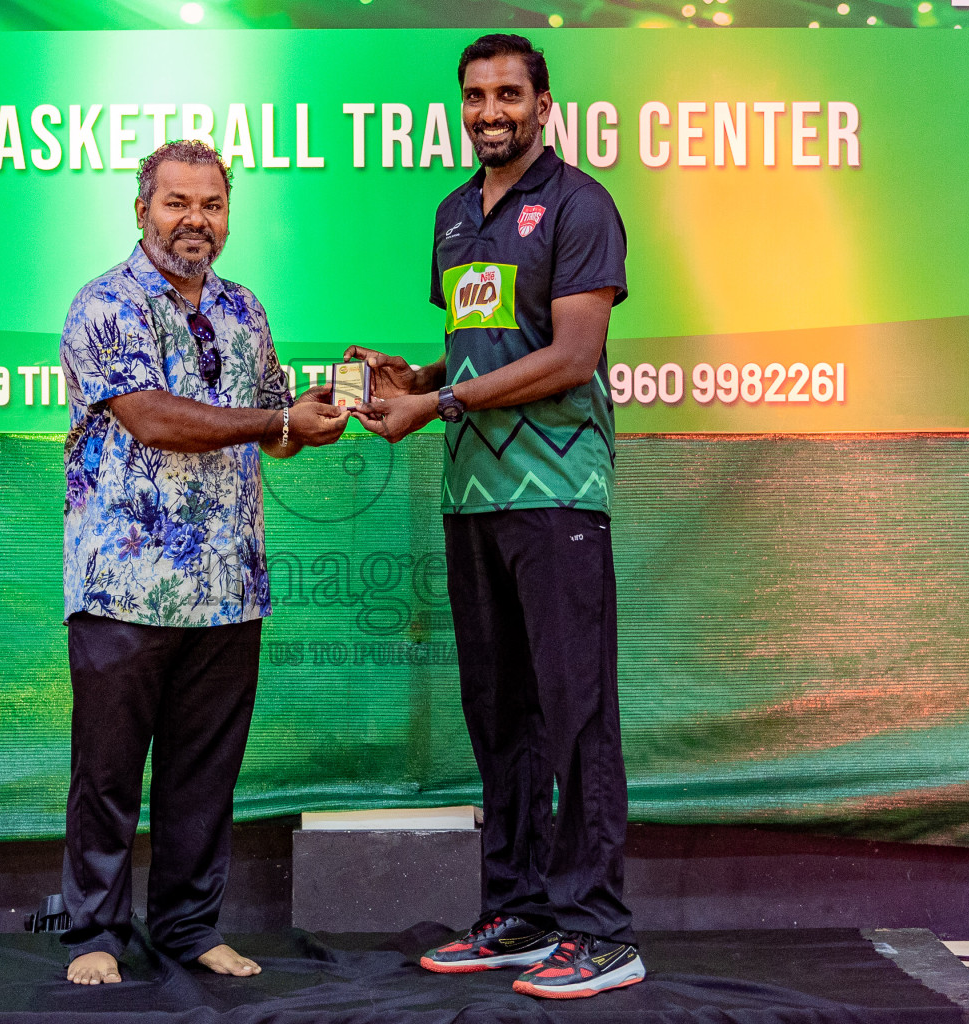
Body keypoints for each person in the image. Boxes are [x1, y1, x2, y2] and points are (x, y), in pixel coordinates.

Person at [349, 34, 643, 999]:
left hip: (556, 495)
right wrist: (417, 375)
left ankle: (601, 931)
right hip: (470, 497)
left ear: (545, 104)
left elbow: (569, 355)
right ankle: (519, 913)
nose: (490, 111)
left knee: (576, 715)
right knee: (500, 717)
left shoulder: (579, 204)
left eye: (509, 93)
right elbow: (483, 349)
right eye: (475, 96)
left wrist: (438, 404)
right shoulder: (450, 215)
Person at [57, 140, 348, 986]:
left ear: (227, 215)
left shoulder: (245, 310)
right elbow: (152, 419)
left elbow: (274, 427)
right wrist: (270, 423)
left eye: (211, 205)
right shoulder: (103, 303)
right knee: (107, 777)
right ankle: (95, 936)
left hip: (229, 589)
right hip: (124, 587)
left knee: (203, 778)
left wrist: (318, 415)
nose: (195, 220)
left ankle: (187, 928)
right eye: (177, 203)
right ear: (142, 208)